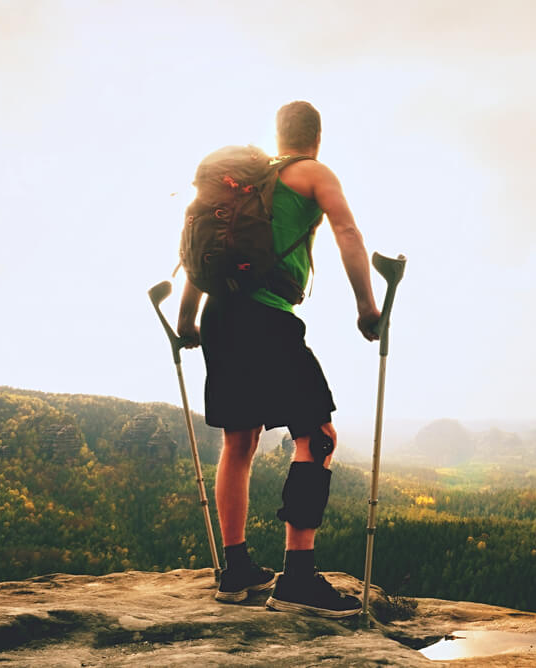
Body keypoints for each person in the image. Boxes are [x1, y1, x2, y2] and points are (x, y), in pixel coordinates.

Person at [176, 101, 381, 618]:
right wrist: (367, 306)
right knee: (317, 435)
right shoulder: (310, 172)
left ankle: (237, 568)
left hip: (221, 317)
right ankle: (298, 578)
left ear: (277, 134)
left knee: (238, 440)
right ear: (316, 137)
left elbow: (201, 259)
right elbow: (348, 234)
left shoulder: (240, 185)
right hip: (268, 318)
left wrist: (187, 321)